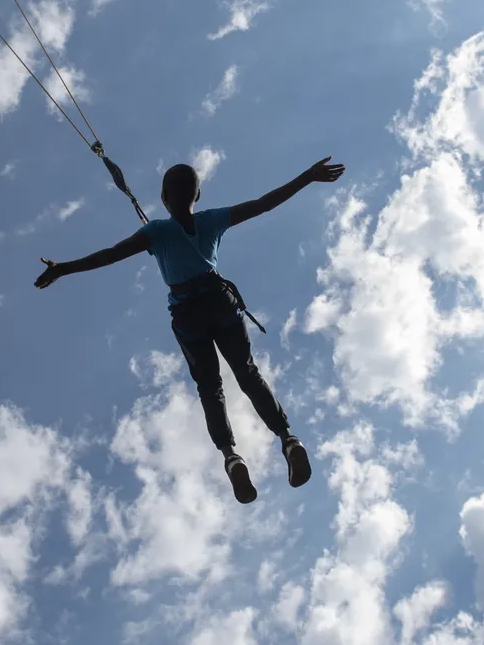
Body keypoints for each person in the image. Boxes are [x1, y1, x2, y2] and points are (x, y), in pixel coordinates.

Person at [36, 157, 346, 504]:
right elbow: (263, 204)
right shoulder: (211, 220)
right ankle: (289, 439)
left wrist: (64, 268)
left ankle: (231, 456)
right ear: (198, 193)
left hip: (188, 314)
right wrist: (308, 176)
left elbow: (108, 255)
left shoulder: (155, 231)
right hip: (219, 302)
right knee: (246, 372)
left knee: (210, 388)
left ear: (165, 197)